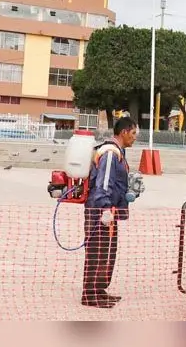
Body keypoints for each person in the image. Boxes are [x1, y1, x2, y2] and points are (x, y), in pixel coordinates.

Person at [81, 115, 138, 309]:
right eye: (133, 133)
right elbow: (104, 183)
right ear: (124, 132)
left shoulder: (118, 152)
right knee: (97, 251)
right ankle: (89, 294)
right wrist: (105, 207)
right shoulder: (111, 153)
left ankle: (99, 290)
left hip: (110, 211)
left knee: (107, 251)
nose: (135, 137)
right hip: (101, 211)